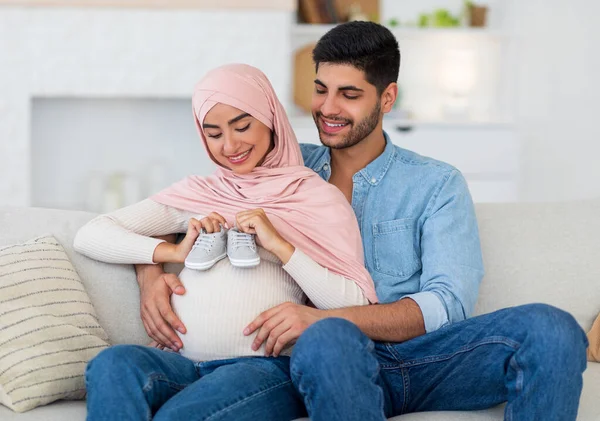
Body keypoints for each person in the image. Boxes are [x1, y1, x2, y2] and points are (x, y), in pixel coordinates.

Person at [135, 21, 590, 421]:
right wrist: (149, 275)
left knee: (551, 328)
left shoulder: (436, 183)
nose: (328, 108)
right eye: (320, 89)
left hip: (427, 362)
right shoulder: (275, 165)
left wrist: (323, 318)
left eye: (349, 94)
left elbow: (447, 305)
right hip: (319, 362)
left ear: (387, 96)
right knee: (328, 340)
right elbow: (168, 211)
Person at [73, 63, 378, 420]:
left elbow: (354, 303)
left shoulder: (316, 198)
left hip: (260, 369)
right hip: (180, 364)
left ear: (270, 119)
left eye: (242, 126)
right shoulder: (200, 194)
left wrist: (279, 244)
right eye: (214, 133)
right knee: (111, 365)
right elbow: (90, 234)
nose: (230, 145)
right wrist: (168, 252)